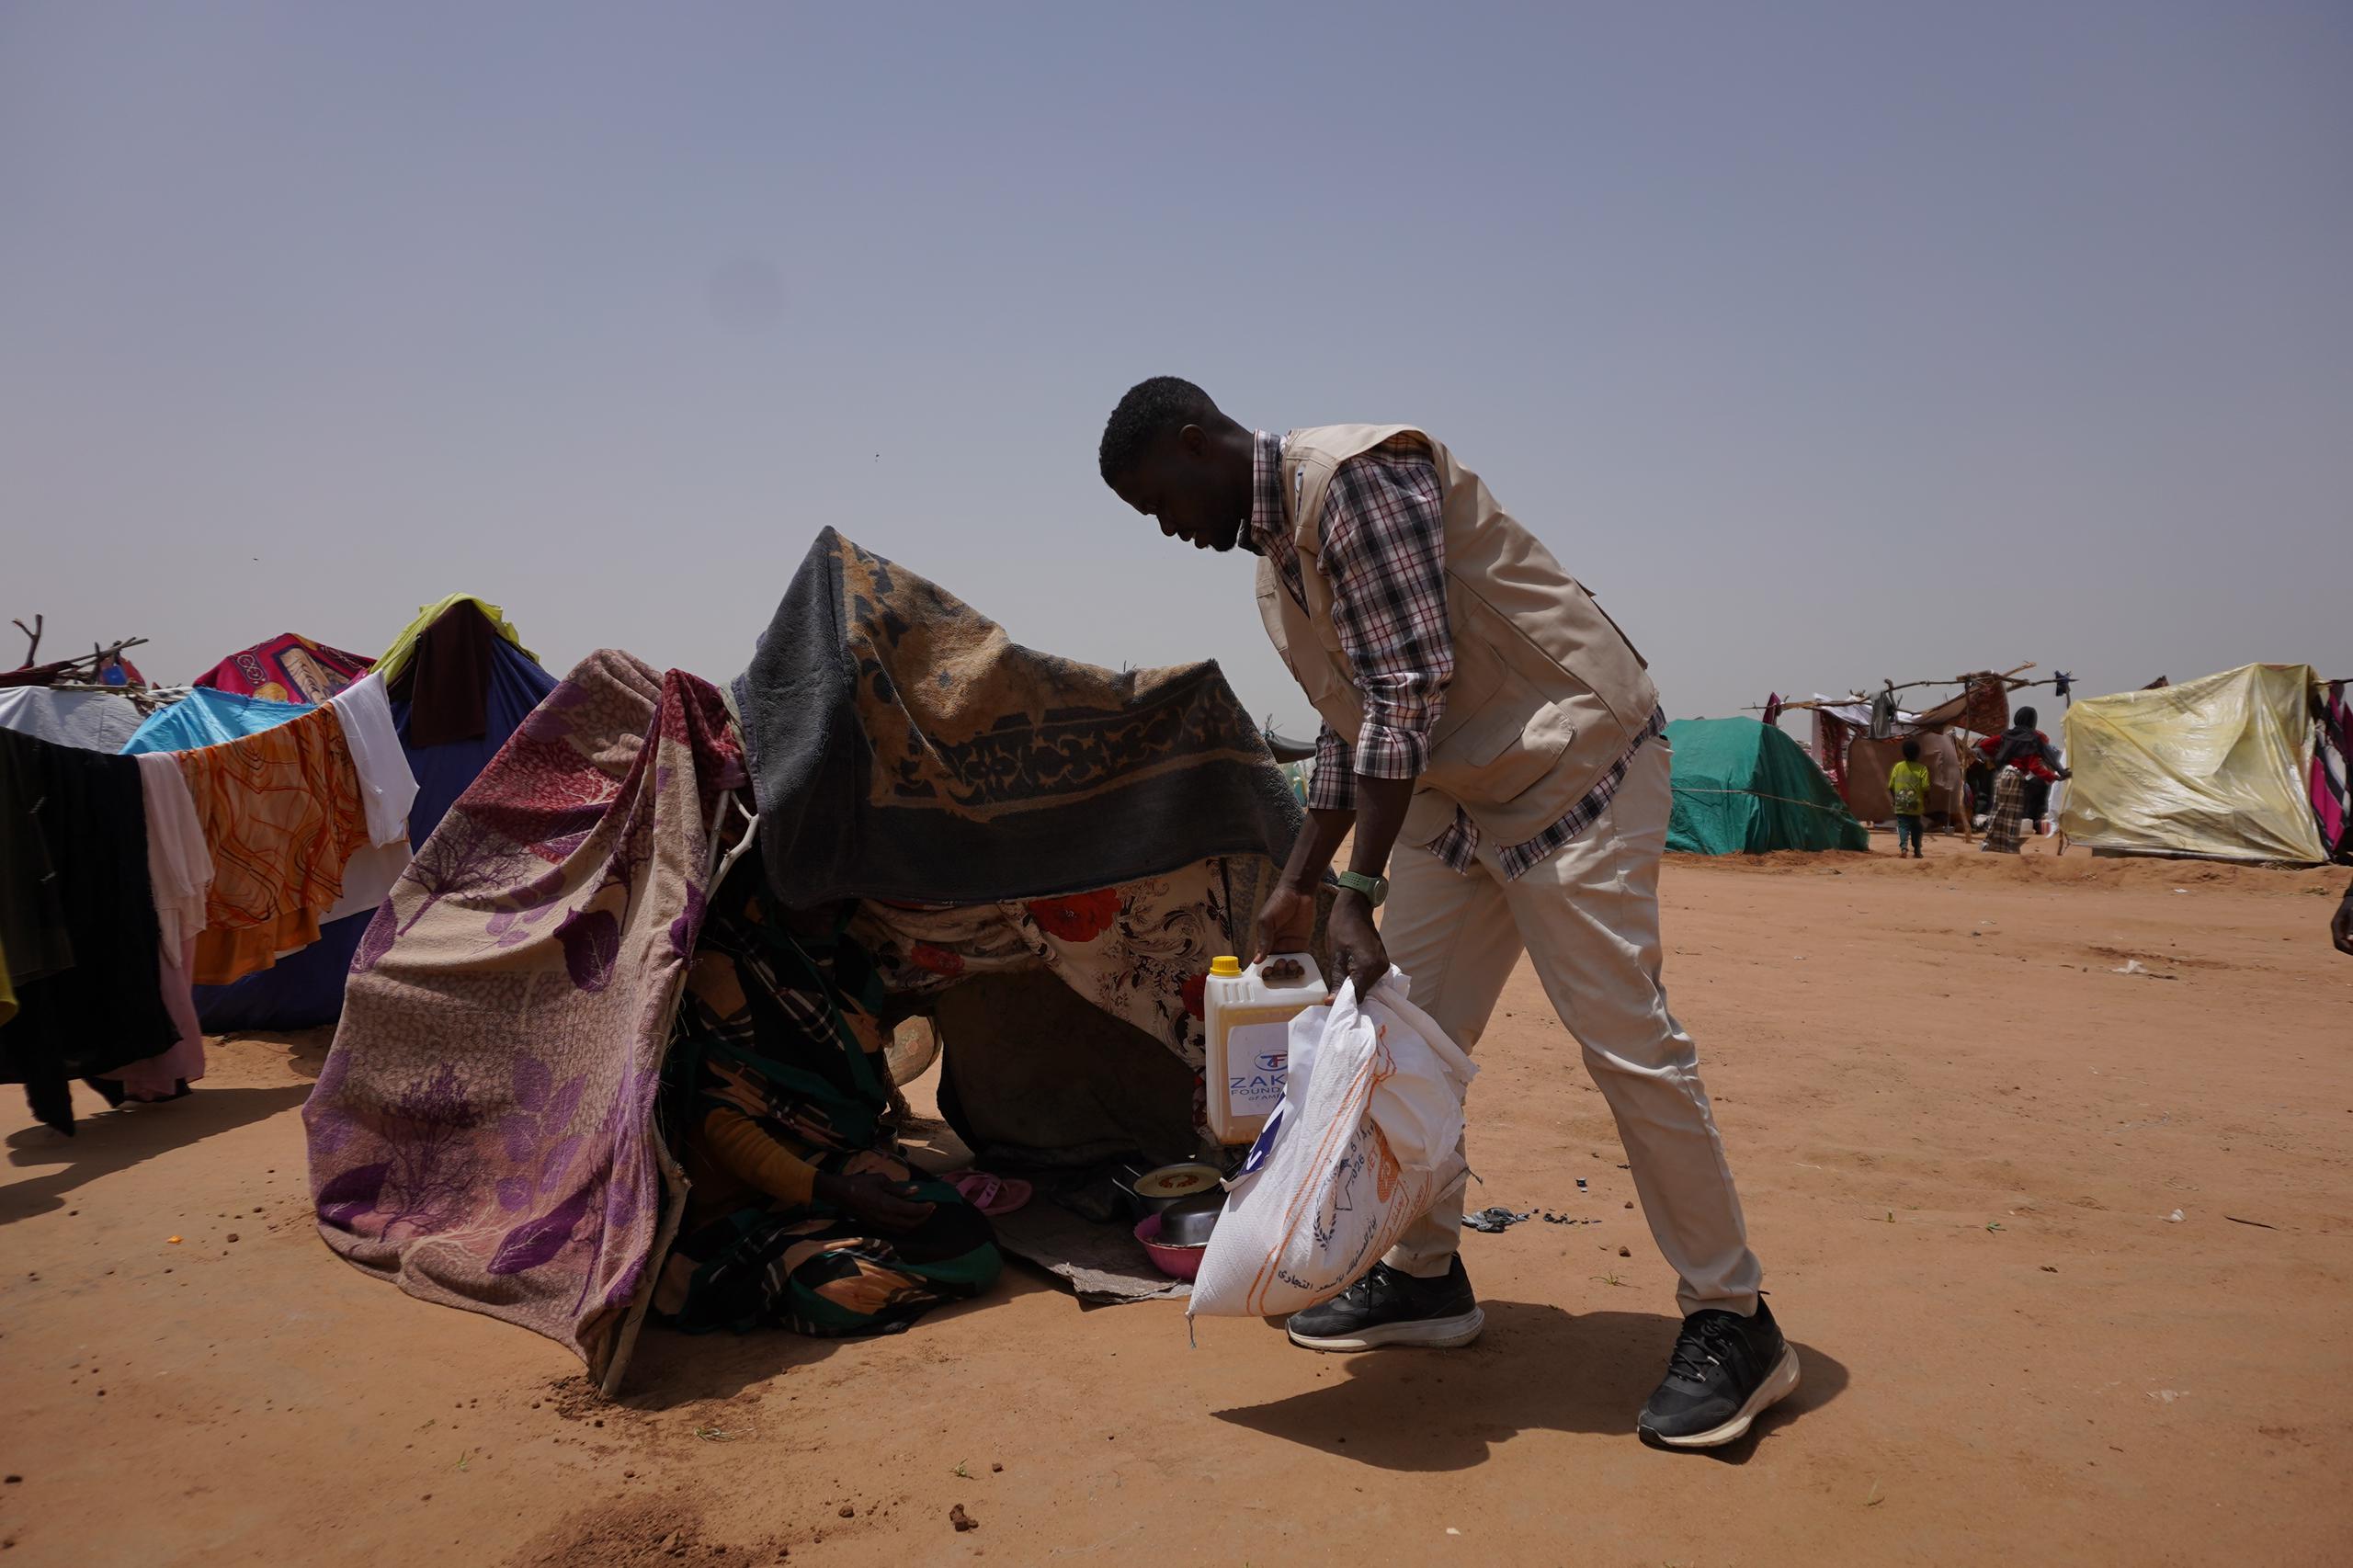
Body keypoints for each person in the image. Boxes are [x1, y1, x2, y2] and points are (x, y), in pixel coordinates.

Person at [1098, 378, 1792, 1451]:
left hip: (1575, 773)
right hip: (1460, 800)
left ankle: (1734, 1318)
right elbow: (1349, 724)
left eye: (1161, 504)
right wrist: (1299, 880)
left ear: (1196, 443)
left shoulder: (1353, 481)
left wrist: (1358, 890)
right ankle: (1423, 1277)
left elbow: (1408, 686)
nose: (1172, 533)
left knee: (1627, 1045)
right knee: (1394, 1035)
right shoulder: (1278, 574)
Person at [652, 852, 1001, 1338]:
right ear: (768, 888)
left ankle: (811, 1264)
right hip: (747, 1200)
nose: (825, 904)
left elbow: (852, 1093)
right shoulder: (723, 971)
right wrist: (835, 1193)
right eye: (804, 887)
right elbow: (723, 1125)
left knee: (973, 1249)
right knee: (833, 1293)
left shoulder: (852, 966)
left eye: (835, 889)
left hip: (842, 1163)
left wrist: (853, 1186)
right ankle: (795, 1271)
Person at [1976, 707, 2066, 840]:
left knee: (1999, 810)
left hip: (2002, 776)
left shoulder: (2006, 735)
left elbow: (1984, 745)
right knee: (2012, 814)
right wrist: (2054, 776)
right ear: (2032, 721)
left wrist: (1998, 756)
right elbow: (2035, 767)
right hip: (2016, 779)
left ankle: (1992, 841)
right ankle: (2007, 845)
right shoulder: (2032, 739)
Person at [1888, 739, 1929, 859]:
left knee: (1903, 826)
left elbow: (1891, 786)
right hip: (1916, 804)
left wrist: (1895, 799)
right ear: (1918, 753)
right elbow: (1926, 787)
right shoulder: (1922, 769)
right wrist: (1927, 798)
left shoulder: (1898, 767)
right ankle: (1917, 850)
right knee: (1917, 826)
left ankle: (1904, 847)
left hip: (1901, 802)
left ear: (1904, 753)